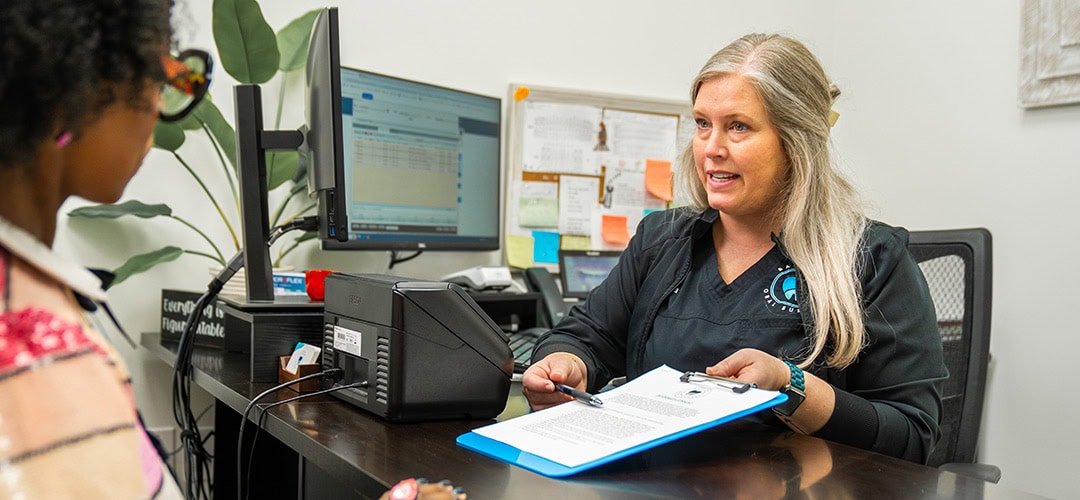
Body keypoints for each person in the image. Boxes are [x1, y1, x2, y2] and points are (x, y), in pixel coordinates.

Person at [0, 1, 467, 498]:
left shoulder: (31, 298)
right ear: (80, 86)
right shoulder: (33, 346)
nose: (159, 112)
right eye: (160, 83)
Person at [522, 33, 947, 464]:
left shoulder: (871, 258)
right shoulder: (663, 239)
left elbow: (911, 436)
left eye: (738, 127)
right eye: (703, 124)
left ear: (795, 143)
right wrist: (565, 362)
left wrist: (792, 387)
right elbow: (585, 336)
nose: (711, 148)